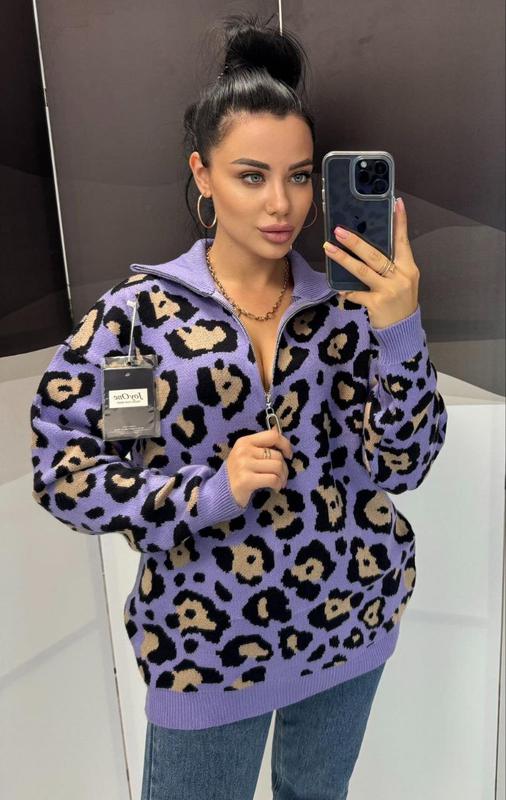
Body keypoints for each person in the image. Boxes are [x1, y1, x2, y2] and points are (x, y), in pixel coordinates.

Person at [30, 11, 448, 800]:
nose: (281, 204)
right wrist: (209, 492)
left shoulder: (349, 314)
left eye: (300, 176)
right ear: (203, 174)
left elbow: (405, 464)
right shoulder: (139, 324)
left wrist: (400, 329)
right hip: (206, 652)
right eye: (251, 176)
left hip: (351, 624)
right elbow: (75, 477)